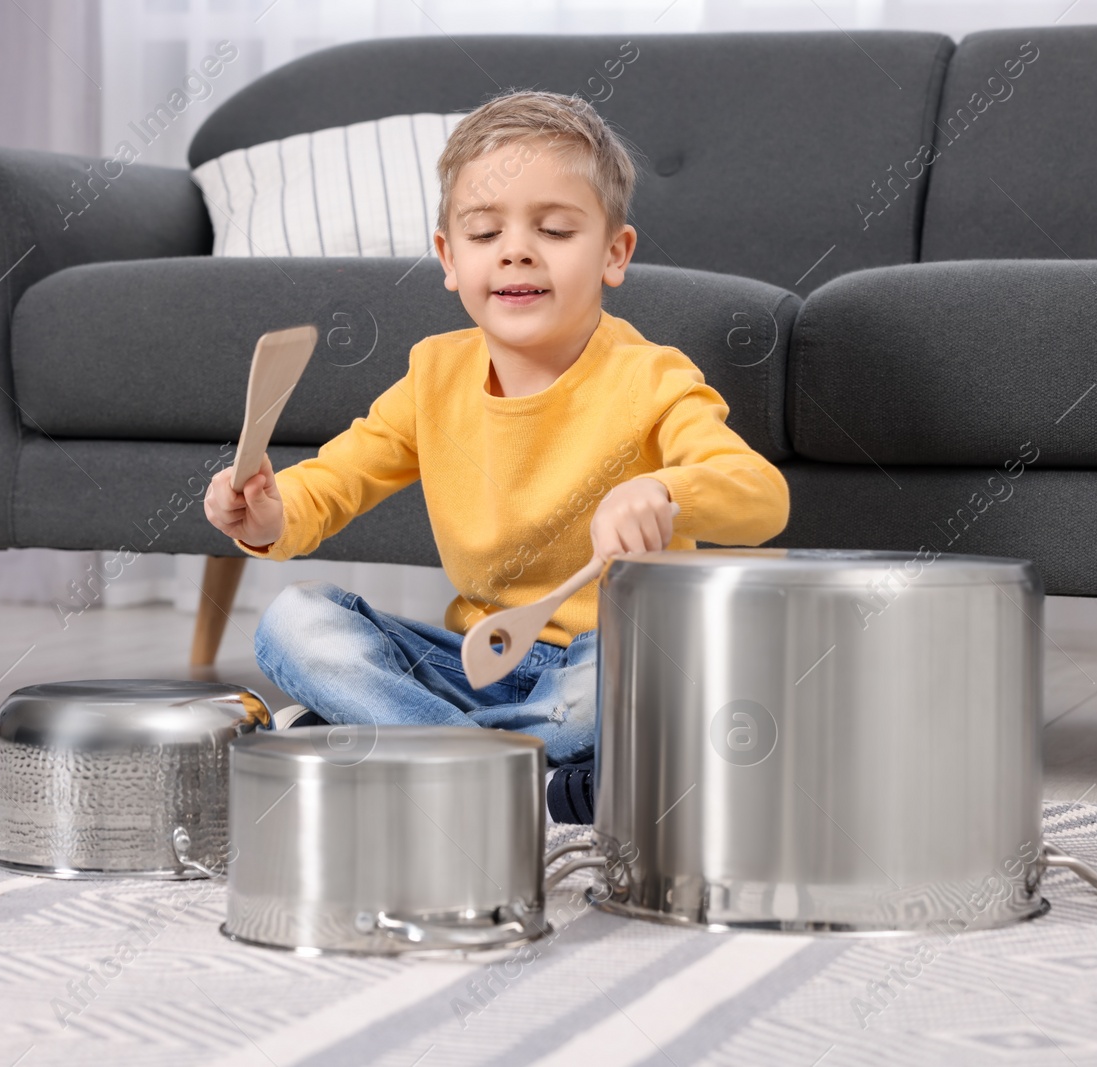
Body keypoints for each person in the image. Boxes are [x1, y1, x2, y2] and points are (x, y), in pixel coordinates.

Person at [202, 89, 789, 822]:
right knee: (293, 623)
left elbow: (760, 495)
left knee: (648, 680)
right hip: (470, 660)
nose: (516, 249)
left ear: (614, 253)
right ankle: (523, 781)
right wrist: (266, 510)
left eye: (553, 228)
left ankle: (393, 746)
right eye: (485, 233)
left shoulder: (652, 376)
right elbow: (331, 485)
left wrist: (667, 493)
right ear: (449, 258)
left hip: (597, 665)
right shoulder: (431, 375)